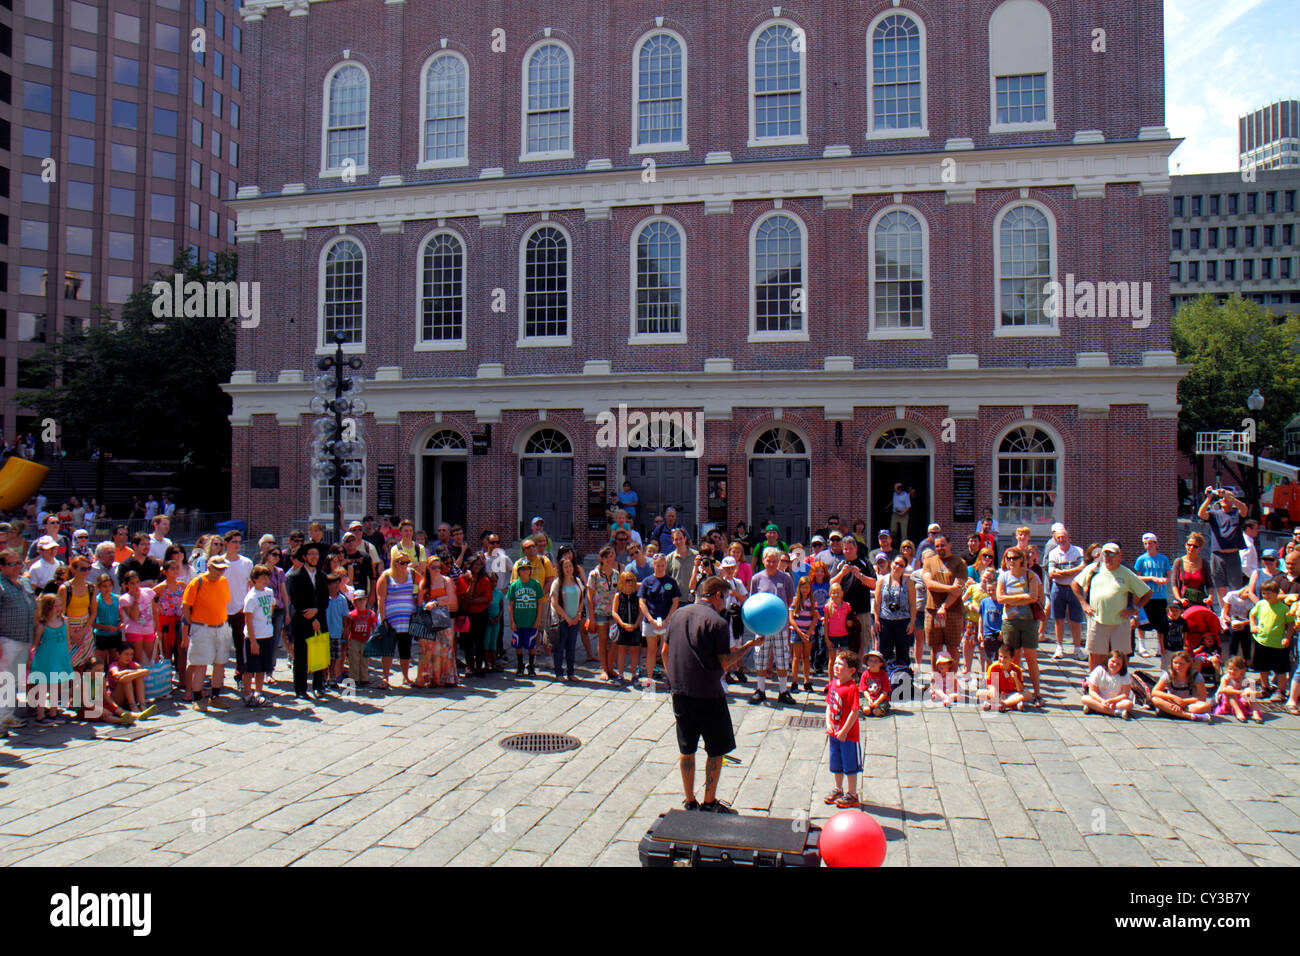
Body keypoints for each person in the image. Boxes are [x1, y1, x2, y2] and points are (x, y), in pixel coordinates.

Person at [668, 576, 759, 813]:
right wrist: (748, 647)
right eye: (725, 597)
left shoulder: (678, 614)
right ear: (717, 595)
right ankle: (709, 802)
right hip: (708, 693)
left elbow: (665, 650)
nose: (725, 603)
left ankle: (689, 800)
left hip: (680, 691)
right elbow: (725, 662)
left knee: (686, 748)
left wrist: (674, 677)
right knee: (716, 749)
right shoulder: (717, 623)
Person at [1073, 543, 1150, 672]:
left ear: (1119, 556)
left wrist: (1135, 609)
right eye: (1105, 554)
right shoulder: (1094, 568)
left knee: (1120, 656)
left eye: (1112, 554)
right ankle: (1092, 683)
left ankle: (1120, 684)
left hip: (1120, 622)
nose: (1108, 557)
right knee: (1095, 654)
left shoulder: (1127, 573)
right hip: (1097, 620)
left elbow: (1147, 593)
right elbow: (1075, 584)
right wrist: (1083, 603)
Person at [182, 554, 234, 707]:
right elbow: (186, 606)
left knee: (220, 662)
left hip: (221, 626)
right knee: (200, 663)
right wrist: (193, 623)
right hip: (202, 627)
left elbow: (223, 602)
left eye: (223, 569)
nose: (220, 572)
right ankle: (197, 698)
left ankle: (215, 696)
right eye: (217, 569)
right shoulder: (196, 582)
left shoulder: (223, 581)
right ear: (209, 567)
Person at [749, 547, 797, 706]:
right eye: (768, 561)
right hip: (761, 626)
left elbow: (789, 600)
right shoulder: (756, 578)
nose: (771, 564)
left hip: (780, 626)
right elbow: (752, 601)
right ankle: (760, 689)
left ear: (778, 562)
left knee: (782, 658)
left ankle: (783, 691)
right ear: (763, 561)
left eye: (774, 561)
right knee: (761, 657)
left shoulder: (786, 578)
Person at [996, 547, 1044, 704]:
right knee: (1012, 657)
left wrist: (1011, 598)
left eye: (1014, 558)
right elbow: (1000, 599)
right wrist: (1022, 597)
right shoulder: (1003, 576)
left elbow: (1033, 597)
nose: (1011, 561)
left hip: (1029, 620)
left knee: (1031, 658)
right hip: (1010, 621)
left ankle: (1037, 693)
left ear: (1022, 559)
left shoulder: (1031, 575)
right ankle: (1013, 690)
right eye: (1008, 558)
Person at [286, 543, 329, 701]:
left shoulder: (322, 576)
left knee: (318, 654)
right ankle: (300, 688)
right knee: (301, 656)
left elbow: (324, 599)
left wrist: (316, 613)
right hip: (302, 620)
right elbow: (297, 600)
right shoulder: (295, 576)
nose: (314, 557)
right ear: (304, 557)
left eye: (316, 554)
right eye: (311, 554)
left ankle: (318, 686)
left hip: (319, 618)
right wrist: (310, 617)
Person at [820, 649, 863, 809]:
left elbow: (854, 711)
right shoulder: (833, 684)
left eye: (841, 665)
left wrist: (844, 731)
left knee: (850, 764)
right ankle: (838, 788)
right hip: (834, 733)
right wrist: (828, 722)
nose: (836, 667)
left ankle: (852, 793)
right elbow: (829, 706)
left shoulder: (852, 688)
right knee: (836, 762)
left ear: (851, 671)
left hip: (848, 735)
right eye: (835, 663)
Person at [922, 535, 968, 672]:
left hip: (953, 611)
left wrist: (944, 607)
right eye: (937, 546)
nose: (940, 548)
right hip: (932, 610)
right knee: (935, 647)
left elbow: (958, 589)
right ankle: (936, 681)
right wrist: (949, 588)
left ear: (950, 544)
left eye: (942, 545)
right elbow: (929, 584)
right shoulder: (929, 562)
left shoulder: (959, 562)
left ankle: (950, 681)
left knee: (952, 647)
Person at [375, 549, 418, 689]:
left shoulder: (411, 573)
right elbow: (380, 599)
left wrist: (418, 597)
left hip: (407, 618)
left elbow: (424, 583)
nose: (405, 564)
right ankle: (385, 677)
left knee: (405, 649)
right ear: (394, 562)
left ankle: (405, 677)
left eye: (407, 562)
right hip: (391, 619)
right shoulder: (386, 576)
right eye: (402, 562)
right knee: (388, 649)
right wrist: (383, 619)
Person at [1198, 486, 1249, 606]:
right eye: (1222, 498)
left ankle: (1235, 611)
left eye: (1226, 498)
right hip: (1218, 555)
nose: (1223, 499)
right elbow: (1201, 514)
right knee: (1220, 585)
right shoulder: (1215, 514)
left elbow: (1244, 510)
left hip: (1233, 555)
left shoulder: (1236, 514)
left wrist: (1230, 497)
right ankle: (1223, 613)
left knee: (1235, 585)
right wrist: (1209, 498)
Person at [415, 555, 458, 688]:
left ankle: (447, 677)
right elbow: (420, 602)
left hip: (441, 615)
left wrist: (435, 602)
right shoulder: (424, 583)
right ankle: (430, 676)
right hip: (428, 617)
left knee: (445, 647)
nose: (437, 570)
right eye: (434, 567)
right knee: (429, 649)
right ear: (428, 568)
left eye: (439, 567)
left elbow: (450, 599)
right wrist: (439, 601)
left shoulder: (446, 581)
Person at [30, 593, 74, 724]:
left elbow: (67, 639)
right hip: (46, 657)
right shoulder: (42, 624)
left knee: (55, 685)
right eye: (56, 606)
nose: (59, 608)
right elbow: (36, 643)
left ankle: (53, 713)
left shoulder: (64, 621)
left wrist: (68, 652)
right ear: (48, 607)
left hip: (60, 655)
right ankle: (40, 714)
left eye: (60, 605)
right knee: (43, 686)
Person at [638, 553, 681, 687]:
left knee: (665, 650)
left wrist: (667, 619)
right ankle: (650, 679)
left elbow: (675, 602)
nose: (660, 568)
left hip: (666, 621)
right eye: (657, 565)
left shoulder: (671, 581)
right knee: (651, 650)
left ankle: (669, 678)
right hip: (651, 621)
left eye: (662, 565)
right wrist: (650, 619)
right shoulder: (647, 581)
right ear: (653, 565)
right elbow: (642, 602)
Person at [1045, 526, 1087, 660]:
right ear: (1055, 539)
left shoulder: (1078, 551)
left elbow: (1082, 569)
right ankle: (1059, 647)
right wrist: (1071, 571)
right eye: (1058, 538)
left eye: (1063, 537)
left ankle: (1077, 648)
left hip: (1075, 588)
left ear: (1069, 537)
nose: (1061, 540)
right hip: (1058, 588)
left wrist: (1061, 572)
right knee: (1059, 619)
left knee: (1076, 619)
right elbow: (1051, 573)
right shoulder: (1053, 553)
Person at [1249, 578, 1292, 700]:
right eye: (1264, 593)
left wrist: (1287, 638)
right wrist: (1253, 625)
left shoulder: (1283, 608)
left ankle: (1281, 690)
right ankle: (1265, 687)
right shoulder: (1260, 604)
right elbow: (1252, 614)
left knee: (1281, 669)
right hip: (1261, 641)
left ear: (1276, 593)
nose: (1266, 596)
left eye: (1269, 593)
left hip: (1278, 644)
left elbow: (1291, 624)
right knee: (1263, 668)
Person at [1133, 533, 1171, 659]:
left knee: (1161, 622)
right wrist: (1152, 578)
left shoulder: (1163, 559)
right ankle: (1142, 646)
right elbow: (1136, 577)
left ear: (1156, 544)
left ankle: (1160, 647)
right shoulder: (1141, 559)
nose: (1148, 546)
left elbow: (1168, 575)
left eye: (1150, 543)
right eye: (1145, 544)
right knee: (1143, 621)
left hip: (1160, 596)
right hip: (1145, 596)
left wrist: (1164, 580)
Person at [241, 565, 275, 706]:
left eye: (267, 577)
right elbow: (248, 620)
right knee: (251, 668)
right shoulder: (251, 597)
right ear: (255, 580)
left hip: (267, 634)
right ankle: (247, 694)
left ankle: (258, 693)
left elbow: (271, 607)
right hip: (254, 637)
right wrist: (253, 641)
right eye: (262, 577)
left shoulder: (269, 592)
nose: (265, 580)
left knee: (262, 667)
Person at [551, 554, 587, 683]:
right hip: (562, 620)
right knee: (559, 647)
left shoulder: (577, 580)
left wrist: (578, 615)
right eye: (565, 567)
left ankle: (571, 672)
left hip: (575, 619)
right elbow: (554, 603)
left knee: (571, 646)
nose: (568, 569)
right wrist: (566, 617)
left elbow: (582, 598)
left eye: (570, 566)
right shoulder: (557, 583)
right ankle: (559, 672)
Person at [587, 545, 621, 683]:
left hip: (613, 612)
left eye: (612, 556)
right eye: (607, 556)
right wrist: (591, 617)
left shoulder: (616, 574)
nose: (609, 559)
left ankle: (610, 666)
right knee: (602, 640)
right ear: (602, 558)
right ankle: (604, 668)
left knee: (614, 640)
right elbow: (589, 596)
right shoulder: (594, 575)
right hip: (600, 611)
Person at [874, 555, 915, 667]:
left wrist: (912, 622)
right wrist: (877, 620)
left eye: (901, 565)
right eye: (896, 563)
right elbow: (877, 602)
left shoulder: (908, 582)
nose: (897, 567)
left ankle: (903, 680)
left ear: (904, 568)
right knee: (884, 654)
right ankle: (885, 679)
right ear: (891, 563)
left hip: (902, 622)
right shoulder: (882, 580)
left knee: (903, 653)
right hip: (886, 621)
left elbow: (912, 603)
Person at [506, 559, 543, 676]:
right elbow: (510, 605)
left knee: (531, 644)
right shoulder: (514, 586)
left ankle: (531, 666)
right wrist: (512, 621)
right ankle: (520, 665)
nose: (525, 571)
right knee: (518, 644)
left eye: (527, 568)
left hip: (531, 620)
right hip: (518, 620)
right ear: (519, 571)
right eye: (522, 569)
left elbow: (540, 603)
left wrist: (538, 619)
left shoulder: (535, 584)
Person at [1150, 651, 1212, 721]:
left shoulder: (1196, 676)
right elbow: (1154, 692)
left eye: (1181, 664)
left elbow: (1202, 697)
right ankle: (1189, 716)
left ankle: (1170, 712)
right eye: (1175, 663)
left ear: (1188, 664)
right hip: (1172, 702)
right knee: (1155, 700)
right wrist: (1173, 698)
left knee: (1206, 706)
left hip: (1189, 704)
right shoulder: (1168, 674)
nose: (1178, 666)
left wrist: (1183, 702)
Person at [119, 570, 159, 666]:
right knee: (137, 659)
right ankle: (138, 680)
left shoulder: (148, 592)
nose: (135, 586)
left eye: (137, 582)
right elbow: (134, 617)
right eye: (132, 583)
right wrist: (136, 600)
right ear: (126, 585)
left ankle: (153, 679)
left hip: (149, 630)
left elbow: (155, 610)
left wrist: (158, 628)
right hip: (134, 631)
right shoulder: (124, 599)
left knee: (154, 657)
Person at [610, 570, 644, 684]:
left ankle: (634, 674)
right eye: (627, 581)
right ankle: (620, 674)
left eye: (632, 580)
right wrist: (622, 623)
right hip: (622, 626)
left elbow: (641, 612)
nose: (630, 583)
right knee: (622, 650)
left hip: (634, 626)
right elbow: (614, 612)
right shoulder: (618, 596)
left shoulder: (637, 596)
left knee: (634, 650)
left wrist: (636, 624)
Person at [788, 574, 819, 693]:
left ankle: (806, 681)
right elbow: (791, 619)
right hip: (797, 632)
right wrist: (800, 632)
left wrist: (809, 631)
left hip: (808, 633)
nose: (805, 590)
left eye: (807, 587)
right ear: (799, 588)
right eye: (803, 587)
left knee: (806, 657)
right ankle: (794, 681)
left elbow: (815, 618)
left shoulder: (812, 602)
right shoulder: (796, 600)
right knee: (796, 657)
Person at [1082, 650, 1133, 718]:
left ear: (1122, 666)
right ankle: (1115, 713)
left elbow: (1125, 694)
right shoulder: (1099, 670)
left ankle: (1096, 708)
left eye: (1118, 664)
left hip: (1116, 701)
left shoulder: (1125, 674)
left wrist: (1112, 701)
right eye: (1113, 661)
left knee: (1128, 704)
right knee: (1084, 698)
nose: (1115, 665)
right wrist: (1102, 700)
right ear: (1108, 660)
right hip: (1099, 699)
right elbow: (1092, 691)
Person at [1214, 655, 1263, 723]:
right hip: (1227, 702)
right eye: (1230, 669)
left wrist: (1251, 692)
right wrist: (1239, 692)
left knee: (1249, 691)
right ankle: (1238, 711)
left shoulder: (1244, 680)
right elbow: (1223, 690)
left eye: (1235, 670)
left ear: (1242, 671)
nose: (1232, 671)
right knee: (1229, 689)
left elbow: (1257, 694)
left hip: (1241, 702)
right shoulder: (1226, 678)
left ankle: (1255, 713)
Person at [979, 644, 1027, 712]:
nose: (1002, 660)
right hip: (997, 693)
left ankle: (1003, 704)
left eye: (1006, 657)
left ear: (1012, 659)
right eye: (1000, 656)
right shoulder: (994, 668)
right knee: (979, 692)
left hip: (1011, 694)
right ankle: (1012, 703)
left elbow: (1020, 690)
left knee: (1027, 694)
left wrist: (1016, 679)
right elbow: (989, 686)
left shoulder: (1016, 669)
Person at [92, 573, 124, 669]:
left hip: (115, 635)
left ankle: (112, 682)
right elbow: (92, 623)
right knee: (99, 662)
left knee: (114, 661)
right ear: (99, 587)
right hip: (101, 635)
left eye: (110, 585)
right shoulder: (96, 600)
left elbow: (121, 618)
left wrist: (119, 625)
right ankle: (97, 684)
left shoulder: (117, 599)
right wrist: (106, 628)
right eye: (104, 586)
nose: (107, 589)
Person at [859, 649, 890, 717]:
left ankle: (882, 709)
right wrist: (869, 700)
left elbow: (885, 692)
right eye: (871, 660)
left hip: (881, 699)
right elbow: (864, 691)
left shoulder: (884, 675)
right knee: (866, 711)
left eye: (876, 661)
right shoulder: (865, 674)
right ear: (867, 662)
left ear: (880, 664)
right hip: (868, 698)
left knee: (876, 712)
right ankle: (867, 708)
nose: (873, 663)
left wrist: (877, 702)